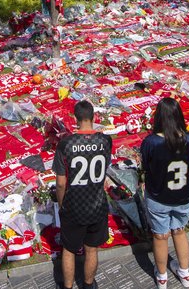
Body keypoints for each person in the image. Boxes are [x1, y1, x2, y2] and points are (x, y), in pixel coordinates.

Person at [52, 100, 113, 289]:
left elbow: (61, 183)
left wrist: (62, 205)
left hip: (74, 205)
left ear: (75, 119)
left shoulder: (66, 144)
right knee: (92, 249)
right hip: (96, 204)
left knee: (69, 250)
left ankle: (68, 286)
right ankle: (88, 284)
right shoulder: (105, 141)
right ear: (94, 117)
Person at [141, 97, 189, 289]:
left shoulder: (152, 142)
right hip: (183, 196)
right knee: (180, 232)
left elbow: (145, 167)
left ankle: (162, 276)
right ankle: (185, 273)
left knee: (160, 236)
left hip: (158, 196)